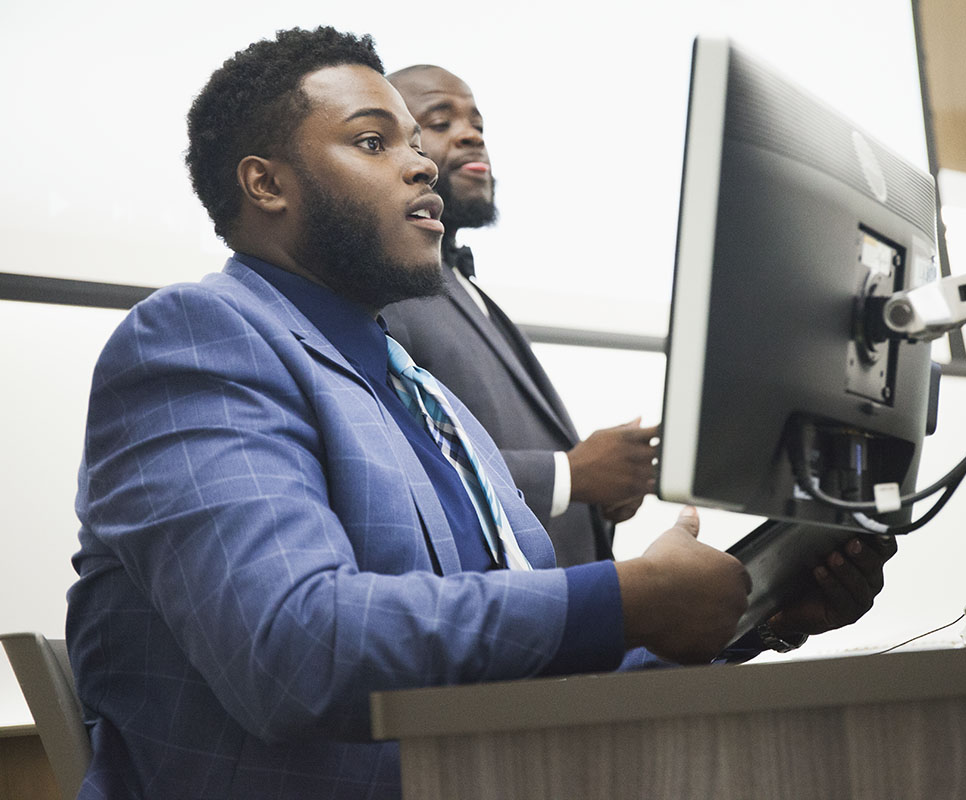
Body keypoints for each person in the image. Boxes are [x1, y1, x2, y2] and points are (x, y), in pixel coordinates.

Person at [65, 27, 895, 800]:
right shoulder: (198, 339)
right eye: (372, 141)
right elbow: (295, 648)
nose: (421, 165)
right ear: (265, 183)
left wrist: (742, 616)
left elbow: (531, 691)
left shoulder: (426, 399)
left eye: (415, 145)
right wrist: (621, 598)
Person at [381, 65, 654, 566]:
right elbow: (403, 461)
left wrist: (603, 492)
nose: (470, 136)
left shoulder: (467, 289)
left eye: (478, 126)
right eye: (439, 124)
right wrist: (570, 475)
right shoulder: (383, 292)